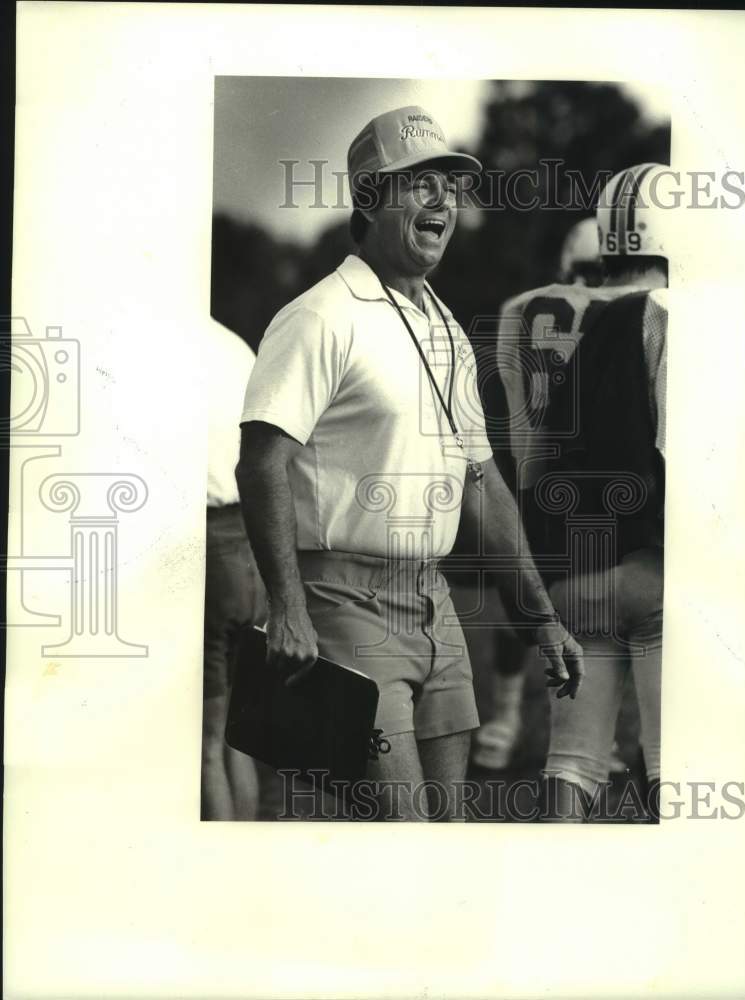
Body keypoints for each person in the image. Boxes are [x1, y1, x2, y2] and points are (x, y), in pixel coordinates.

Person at [236, 105, 583, 822]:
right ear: (369, 198)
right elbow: (261, 463)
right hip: (344, 603)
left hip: (436, 603)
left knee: (451, 829)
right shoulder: (319, 316)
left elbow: (482, 485)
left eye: (450, 188)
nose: (443, 203)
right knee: (400, 831)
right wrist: (288, 609)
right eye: (419, 183)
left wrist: (540, 618)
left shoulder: (446, 325)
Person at [479, 165, 668, 821]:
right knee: (671, 750)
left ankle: (503, 726)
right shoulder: (653, 316)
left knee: (572, 759)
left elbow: (521, 425)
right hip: (640, 545)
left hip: (554, 520)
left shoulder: (520, 310)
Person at [201, 317, 267, 821]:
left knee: (205, 741)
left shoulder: (154, 351)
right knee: (237, 737)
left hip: (207, 544)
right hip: (249, 544)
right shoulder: (234, 346)